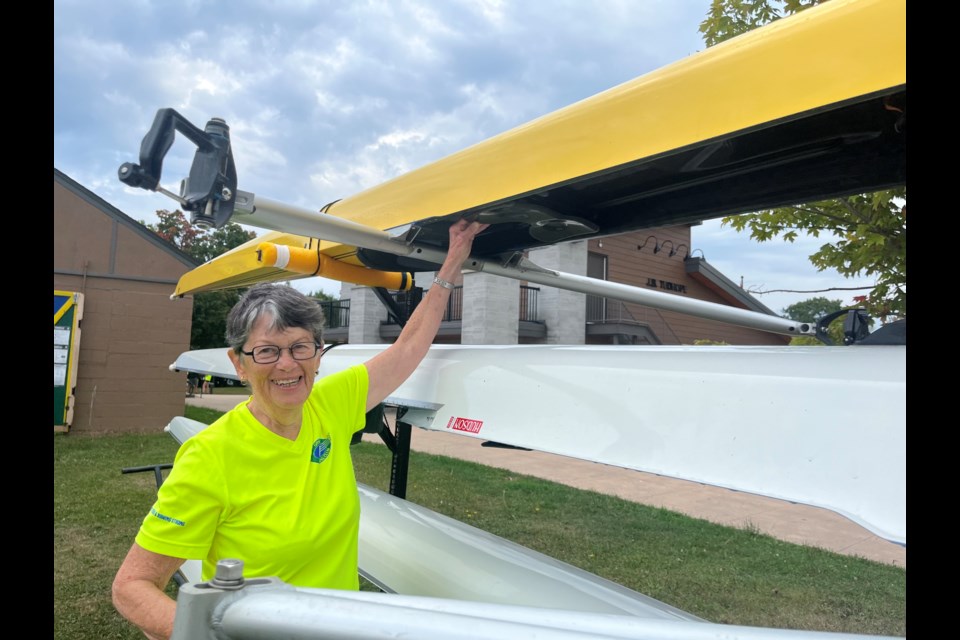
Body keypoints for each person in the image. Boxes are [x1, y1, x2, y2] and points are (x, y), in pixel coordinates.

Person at [112, 218, 488, 640]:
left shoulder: (331, 403)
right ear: (239, 363)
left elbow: (409, 348)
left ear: (318, 354)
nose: (288, 364)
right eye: (267, 351)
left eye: (300, 347)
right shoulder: (210, 457)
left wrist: (452, 264)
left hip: (344, 627)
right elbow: (132, 587)